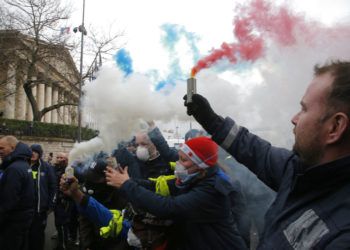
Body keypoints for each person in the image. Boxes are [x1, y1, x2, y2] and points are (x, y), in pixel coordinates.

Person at [183, 60, 350, 249]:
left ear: (335, 127)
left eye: (304, 109)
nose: (294, 119)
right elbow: (255, 151)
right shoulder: (300, 170)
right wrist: (212, 121)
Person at [105, 136, 247, 249]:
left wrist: (127, 185)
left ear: (200, 166)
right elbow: (156, 185)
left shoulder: (212, 189)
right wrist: (129, 181)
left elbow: (169, 207)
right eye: (179, 157)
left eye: (183, 160)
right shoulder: (193, 178)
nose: (178, 163)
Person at [0, 136, 34, 250]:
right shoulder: (24, 164)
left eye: (2, 148)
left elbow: (9, 200)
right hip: (23, 219)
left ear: (12, 147)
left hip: (13, 222)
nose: (0, 151)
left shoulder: (14, 169)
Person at [28, 144, 56, 250]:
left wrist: (51, 205)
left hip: (40, 209)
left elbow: (53, 187)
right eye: (31, 151)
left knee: (38, 235)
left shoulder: (47, 167)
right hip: (25, 209)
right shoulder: (24, 165)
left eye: (36, 152)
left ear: (40, 154)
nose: (33, 153)